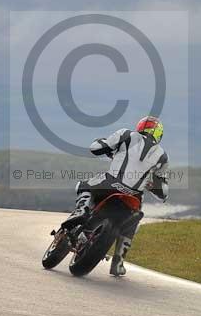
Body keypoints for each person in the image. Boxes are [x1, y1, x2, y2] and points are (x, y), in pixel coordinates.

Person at [61, 115, 169, 276]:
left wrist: (102, 142)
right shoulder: (162, 155)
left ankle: (81, 210)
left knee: (83, 185)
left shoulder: (126, 134)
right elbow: (164, 193)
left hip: (110, 183)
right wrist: (150, 183)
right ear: (159, 134)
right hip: (134, 198)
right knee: (132, 224)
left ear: (140, 127)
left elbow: (96, 148)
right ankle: (118, 262)